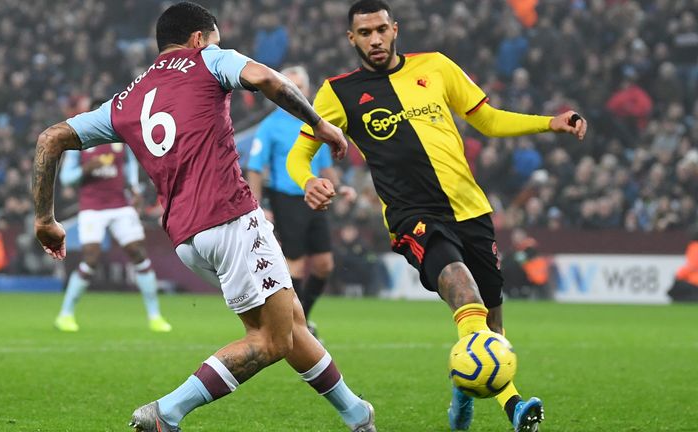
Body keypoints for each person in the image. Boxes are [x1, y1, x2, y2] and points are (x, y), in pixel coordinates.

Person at [31, 3, 375, 432]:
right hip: (230, 217)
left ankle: (357, 415)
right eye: (216, 39)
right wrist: (320, 123)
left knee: (289, 321)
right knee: (271, 339)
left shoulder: (126, 101)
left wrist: (45, 219)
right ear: (199, 38)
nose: (219, 47)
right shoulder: (207, 59)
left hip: (187, 240)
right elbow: (267, 78)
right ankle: (168, 412)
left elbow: (51, 138)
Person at [287, 1, 587, 431]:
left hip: (471, 208)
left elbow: (488, 120)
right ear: (350, 38)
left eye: (380, 30)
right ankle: (515, 407)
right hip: (414, 216)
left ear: (395, 29)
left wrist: (549, 123)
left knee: (492, 326)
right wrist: (307, 181)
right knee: (465, 293)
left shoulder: (437, 66)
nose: (375, 39)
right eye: (364, 33)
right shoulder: (338, 92)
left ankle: (464, 389)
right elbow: (300, 155)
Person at [247, 65, 356, 336]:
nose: (292, 92)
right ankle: (291, 327)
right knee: (294, 262)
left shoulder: (315, 123)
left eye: (298, 87)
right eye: (288, 86)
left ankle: (301, 318)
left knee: (324, 264)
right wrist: (257, 206)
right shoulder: (270, 125)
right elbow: (256, 168)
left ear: (306, 91)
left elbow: (325, 165)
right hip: (286, 198)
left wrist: (341, 187)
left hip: (315, 198)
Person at [54, 132, 172, 333]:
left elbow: (130, 166)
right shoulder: (79, 146)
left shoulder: (119, 142)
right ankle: (65, 314)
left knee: (138, 253)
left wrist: (134, 189)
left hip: (120, 206)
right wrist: (86, 170)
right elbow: (66, 179)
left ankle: (155, 316)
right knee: (91, 257)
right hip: (92, 208)